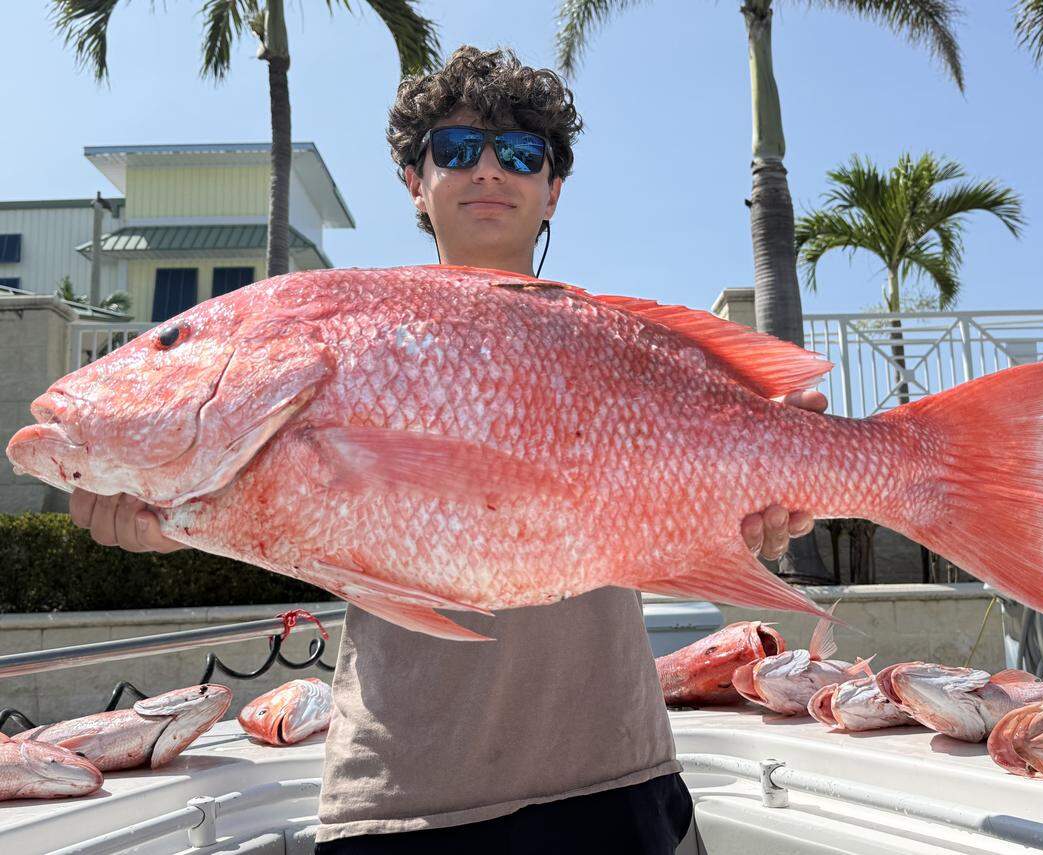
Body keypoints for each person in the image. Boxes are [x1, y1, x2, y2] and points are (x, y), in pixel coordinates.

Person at [68, 45, 827, 855]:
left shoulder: (623, 344)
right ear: (415, 183)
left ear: (553, 189)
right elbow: (300, 518)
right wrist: (168, 518)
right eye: (457, 150)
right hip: (403, 796)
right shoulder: (344, 330)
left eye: (522, 153)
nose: (489, 170)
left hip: (616, 776)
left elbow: (699, 521)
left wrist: (757, 514)